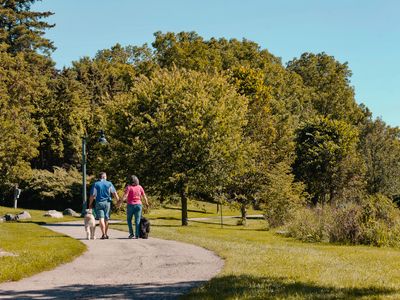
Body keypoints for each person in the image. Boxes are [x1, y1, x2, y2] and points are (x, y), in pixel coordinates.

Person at [89, 172, 119, 239]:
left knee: (101, 219)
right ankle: (106, 233)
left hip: (99, 203)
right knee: (106, 218)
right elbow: (114, 193)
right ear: (104, 176)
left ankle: (103, 234)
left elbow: (92, 195)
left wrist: (90, 204)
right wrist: (118, 201)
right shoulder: (109, 183)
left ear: (99, 177)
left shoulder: (95, 184)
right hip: (107, 203)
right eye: (106, 176)